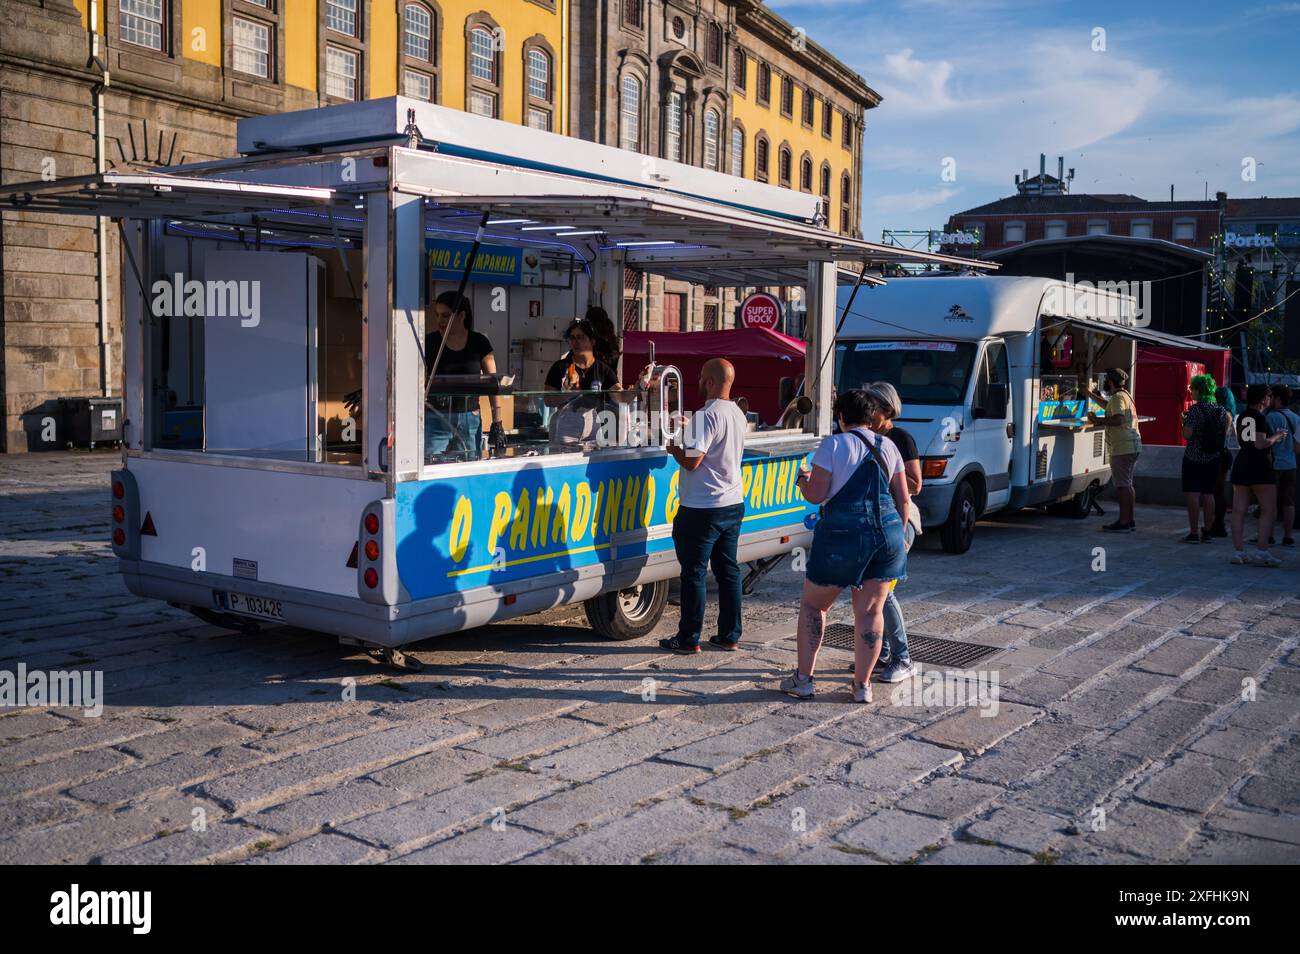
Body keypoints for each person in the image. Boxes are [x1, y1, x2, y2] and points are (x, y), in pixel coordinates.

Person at [783, 389, 910, 703]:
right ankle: (862, 686)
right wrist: (901, 539)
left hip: (842, 534)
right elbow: (903, 499)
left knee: (815, 606)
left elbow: (816, 494)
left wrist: (802, 480)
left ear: (841, 417)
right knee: (870, 612)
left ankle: (803, 681)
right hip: (888, 535)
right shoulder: (890, 446)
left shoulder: (833, 445)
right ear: (870, 417)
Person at [658, 358, 748, 654]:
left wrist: (673, 449)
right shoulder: (736, 412)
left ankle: (688, 638)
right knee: (728, 571)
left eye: (700, 376)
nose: (697, 381)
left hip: (701, 507)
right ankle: (729, 635)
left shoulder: (705, 415)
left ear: (710, 381)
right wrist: (689, 429)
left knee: (694, 573)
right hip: (733, 503)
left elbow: (693, 461)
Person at [862, 381, 921, 683]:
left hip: (899, 519)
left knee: (884, 593)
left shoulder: (900, 438)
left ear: (885, 408)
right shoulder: (863, 435)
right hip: (873, 521)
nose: (867, 409)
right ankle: (882, 651)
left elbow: (914, 484)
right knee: (872, 591)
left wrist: (887, 472)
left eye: (871, 404)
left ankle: (903, 657)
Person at [425, 291, 502, 462]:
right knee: (431, 466)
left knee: (467, 467)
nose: (440, 321)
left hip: (469, 417)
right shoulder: (429, 342)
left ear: (461, 316)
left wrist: (497, 421)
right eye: (437, 315)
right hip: (435, 416)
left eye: (445, 316)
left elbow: (493, 382)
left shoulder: (479, 342)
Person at [1229, 384, 1288, 567]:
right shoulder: (1261, 418)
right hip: (1260, 466)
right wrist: (1277, 437)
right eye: (1268, 397)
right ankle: (1262, 550)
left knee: (1238, 510)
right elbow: (1260, 444)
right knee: (1269, 509)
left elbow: (1243, 441)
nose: (1270, 400)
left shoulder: (1241, 417)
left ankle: (1238, 551)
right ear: (1263, 399)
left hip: (1242, 463)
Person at [545, 318, 619, 445]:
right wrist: (568, 393)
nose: (576, 342)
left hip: (593, 423)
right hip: (566, 422)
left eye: (580, 337)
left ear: (592, 341)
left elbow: (619, 395)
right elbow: (548, 400)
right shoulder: (560, 367)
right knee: (566, 460)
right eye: (572, 338)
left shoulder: (603, 369)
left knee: (591, 461)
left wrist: (638, 386)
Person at [1087, 368, 1141, 532]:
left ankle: (1123, 522)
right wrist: (1090, 395)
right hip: (1131, 445)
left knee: (1122, 486)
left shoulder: (1118, 398)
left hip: (1122, 447)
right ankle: (1130, 520)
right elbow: (1108, 405)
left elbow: (1117, 419)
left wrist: (1097, 420)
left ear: (1109, 382)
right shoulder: (1124, 395)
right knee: (1128, 485)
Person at [1179, 373, 1231, 543]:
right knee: (1209, 495)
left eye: (1192, 388)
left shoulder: (1195, 410)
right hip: (1214, 458)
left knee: (1193, 495)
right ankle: (1208, 531)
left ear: (1198, 390)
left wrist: (1183, 422)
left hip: (1194, 458)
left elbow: (1186, 434)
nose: (1191, 392)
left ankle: (1194, 533)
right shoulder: (1222, 411)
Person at [1265, 384, 1299, 546]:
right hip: (1291, 464)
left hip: (1274, 464)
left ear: (1277, 399)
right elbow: (1298, 446)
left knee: (1270, 502)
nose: (1269, 400)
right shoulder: (1297, 418)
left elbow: (1265, 442)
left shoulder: (1270, 418)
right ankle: (1288, 536)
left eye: (1271, 397)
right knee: (1288, 501)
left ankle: (1269, 536)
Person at [1210, 381, 1237, 537]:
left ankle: (1219, 524)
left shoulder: (1223, 415)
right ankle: (1218, 523)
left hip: (1220, 455)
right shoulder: (1230, 414)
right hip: (1225, 455)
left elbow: (1219, 437)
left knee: (1217, 491)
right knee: (1218, 491)